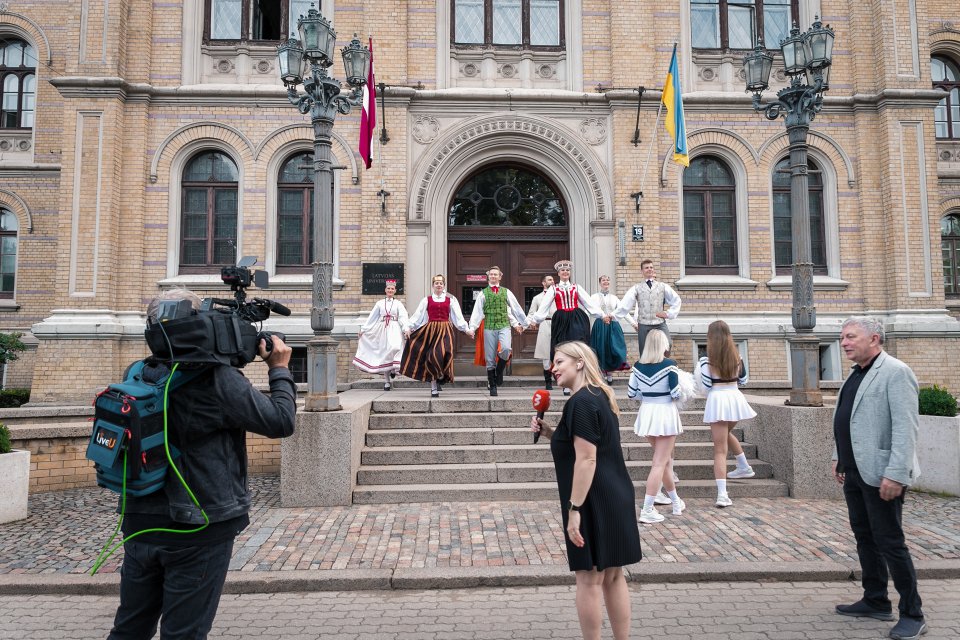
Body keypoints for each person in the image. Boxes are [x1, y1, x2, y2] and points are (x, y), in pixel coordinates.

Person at [108, 289, 297, 640]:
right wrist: (279, 369)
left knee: (129, 629)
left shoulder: (138, 372)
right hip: (197, 527)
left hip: (139, 522)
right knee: (184, 634)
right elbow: (280, 422)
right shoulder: (217, 381)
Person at [530, 341, 640, 640]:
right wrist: (552, 432)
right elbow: (588, 445)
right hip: (615, 494)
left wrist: (574, 509)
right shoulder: (598, 396)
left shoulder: (580, 402)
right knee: (614, 576)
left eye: (559, 361)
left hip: (592, 500)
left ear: (580, 363)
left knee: (589, 580)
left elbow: (587, 458)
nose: (553, 368)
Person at [831, 316, 926, 640]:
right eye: (842, 337)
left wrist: (896, 474)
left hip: (883, 474)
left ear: (874, 338)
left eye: (850, 337)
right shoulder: (856, 374)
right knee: (865, 536)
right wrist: (838, 457)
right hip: (855, 471)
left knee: (890, 543)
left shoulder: (895, 372)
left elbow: (905, 428)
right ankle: (875, 599)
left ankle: (913, 614)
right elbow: (848, 418)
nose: (844, 342)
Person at [697, 320, 756, 508]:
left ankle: (723, 494)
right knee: (725, 435)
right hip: (735, 399)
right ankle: (743, 466)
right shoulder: (737, 357)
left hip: (718, 399)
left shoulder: (706, 361)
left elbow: (705, 386)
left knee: (720, 449)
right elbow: (744, 380)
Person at [627, 329, 684, 523]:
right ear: (663, 345)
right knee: (659, 463)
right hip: (665, 413)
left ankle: (676, 502)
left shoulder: (637, 366)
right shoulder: (670, 365)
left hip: (647, 412)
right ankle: (647, 509)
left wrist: (648, 395)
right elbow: (676, 393)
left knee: (665, 461)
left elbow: (631, 393)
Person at [527, 260, 608, 395]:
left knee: (579, 347)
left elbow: (588, 303)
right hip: (561, 320)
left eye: (567, 270)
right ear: (558, 273)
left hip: (576, 318)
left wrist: (602, 315)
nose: (565, 272)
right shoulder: (554, 289)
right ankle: (566, 382)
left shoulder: (576, 287)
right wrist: (535, 320)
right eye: (563, 270)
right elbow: (544, 307)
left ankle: (583, 379)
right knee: (563, 349)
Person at [401, 274, 474, 397]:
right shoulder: (426, 300)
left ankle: (441, 376)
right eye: (436, 283)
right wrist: (408, 328)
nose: (439, 285)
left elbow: (458, 317)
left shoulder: (450, 300)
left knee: (444, 354)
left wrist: (466, 330)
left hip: (446, 330)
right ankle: (434, 386)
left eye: (441, 283)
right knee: (433, 356)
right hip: (431, 331)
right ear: (433, 285)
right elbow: (417, 316)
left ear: (444, 285)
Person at [468, 265, 529, 396]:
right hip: (489, 327)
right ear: (488, 277)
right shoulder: (483, 294)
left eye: (496, 274)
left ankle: (499, 370)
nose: (493, 276)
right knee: (490, 358)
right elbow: (477, 312)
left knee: (506, 349)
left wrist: (523, 323)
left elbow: (515, 308)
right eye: (491, 274)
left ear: (500, 277)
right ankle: (493, 385)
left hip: (504, 326)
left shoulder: (506, 292)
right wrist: (472, 327)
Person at [614, 259, 681, 354]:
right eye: (646, 268)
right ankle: (645, 368)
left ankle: (662, 365)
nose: (649, 269)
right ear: (642, 271)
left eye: (651, 267)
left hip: (659, 323)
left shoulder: (663, 286)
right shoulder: (636, 288)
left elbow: (676, 300)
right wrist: (613, 316)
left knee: (667, 344)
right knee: (644, 351)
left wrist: (668, 313)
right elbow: (625, 304)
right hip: (643, 324)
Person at [353, 279, 409, 390]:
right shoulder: (379, 303)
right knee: (384, 354)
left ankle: (394, 369)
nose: (390, 290)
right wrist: (364, 330)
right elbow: (372, 318)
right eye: (388, 288)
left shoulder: (398, 304)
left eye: (392, 289)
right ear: (385, 290)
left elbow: (403, 317)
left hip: (394, 328)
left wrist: (406, 329)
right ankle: (387, 381)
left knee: (395, 347)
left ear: (395, 290)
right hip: (382, 329)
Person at [589, 275, 632, 384]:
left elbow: (623, 311)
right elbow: (589, 310)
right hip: (600, 325)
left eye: (608, 280)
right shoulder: (594, 297)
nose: (606, 282)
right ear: (600, 283)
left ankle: (609, 373)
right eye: (603, 280)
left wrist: (634, 324)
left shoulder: (614, 298)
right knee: (600, 348)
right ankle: (602, 374)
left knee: (613, 348)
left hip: (612, 325)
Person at [528, 274, 556, 390]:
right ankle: (548, 381)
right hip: (544, 324)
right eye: (549, 280)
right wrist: (531, 323)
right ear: (543, 283)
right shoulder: (537, 298)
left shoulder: (558, 296)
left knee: (560, 350)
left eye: (553, 279)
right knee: (545, 353)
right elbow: (531, 313)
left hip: (557, 323)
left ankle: (561, 379)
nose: (552, 281)